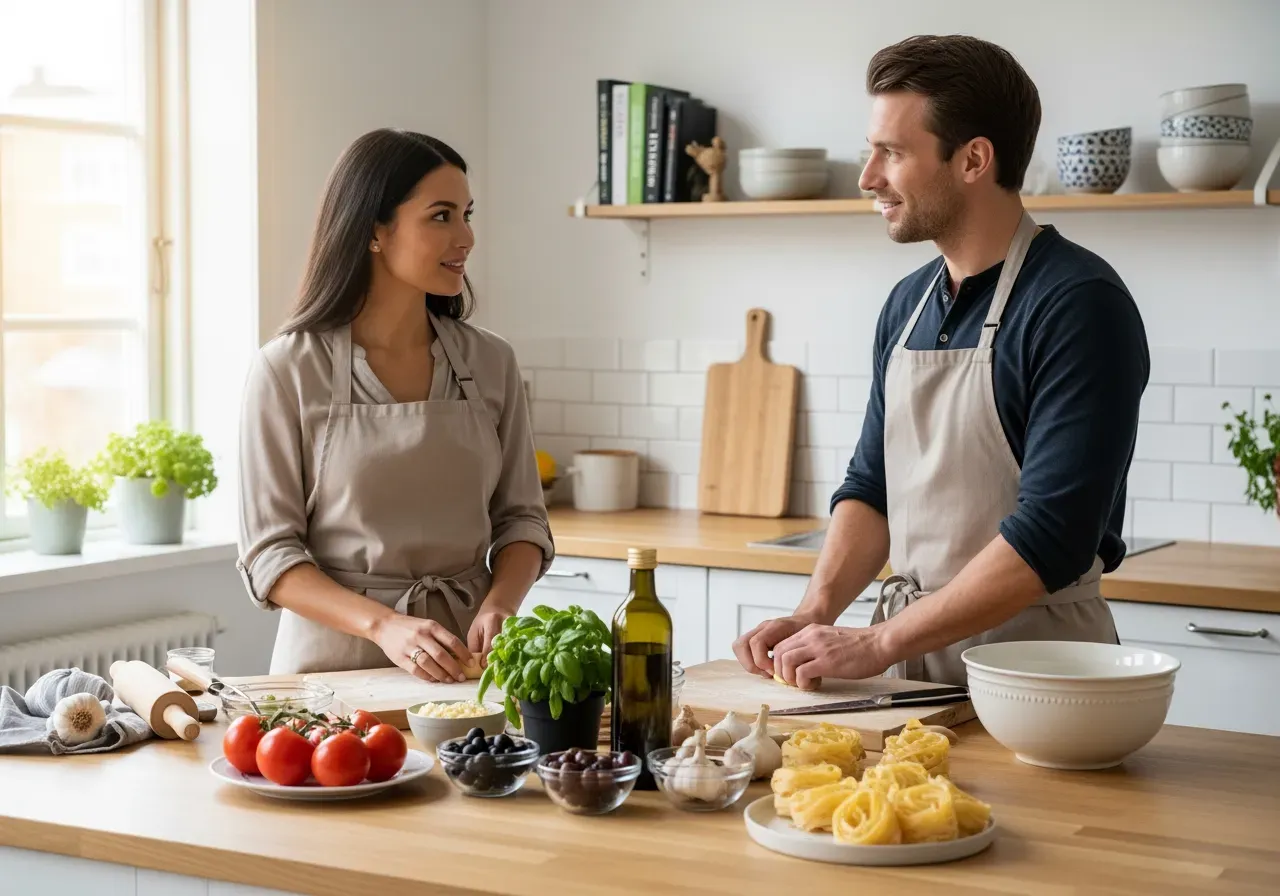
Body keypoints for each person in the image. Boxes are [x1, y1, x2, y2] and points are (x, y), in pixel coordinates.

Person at [734, 35, 1149, 689]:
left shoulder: (1078, 305)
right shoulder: (907, 304)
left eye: (892, 153)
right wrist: (814, 612)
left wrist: (876, 643)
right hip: (909, 673)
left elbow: (1050, 537)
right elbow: (873, 490)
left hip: (1038, 678)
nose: (868, 176)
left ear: (974, 160)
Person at [236, 129, 554, 681]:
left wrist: (501, 602)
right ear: (375, 231)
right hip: (331, 676)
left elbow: (523, 519)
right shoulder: (286, 370)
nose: (467, 237)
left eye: (467, 214)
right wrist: (384, 626)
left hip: (466, 669)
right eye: (441, 216)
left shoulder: (492, 362)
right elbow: (270, 557)